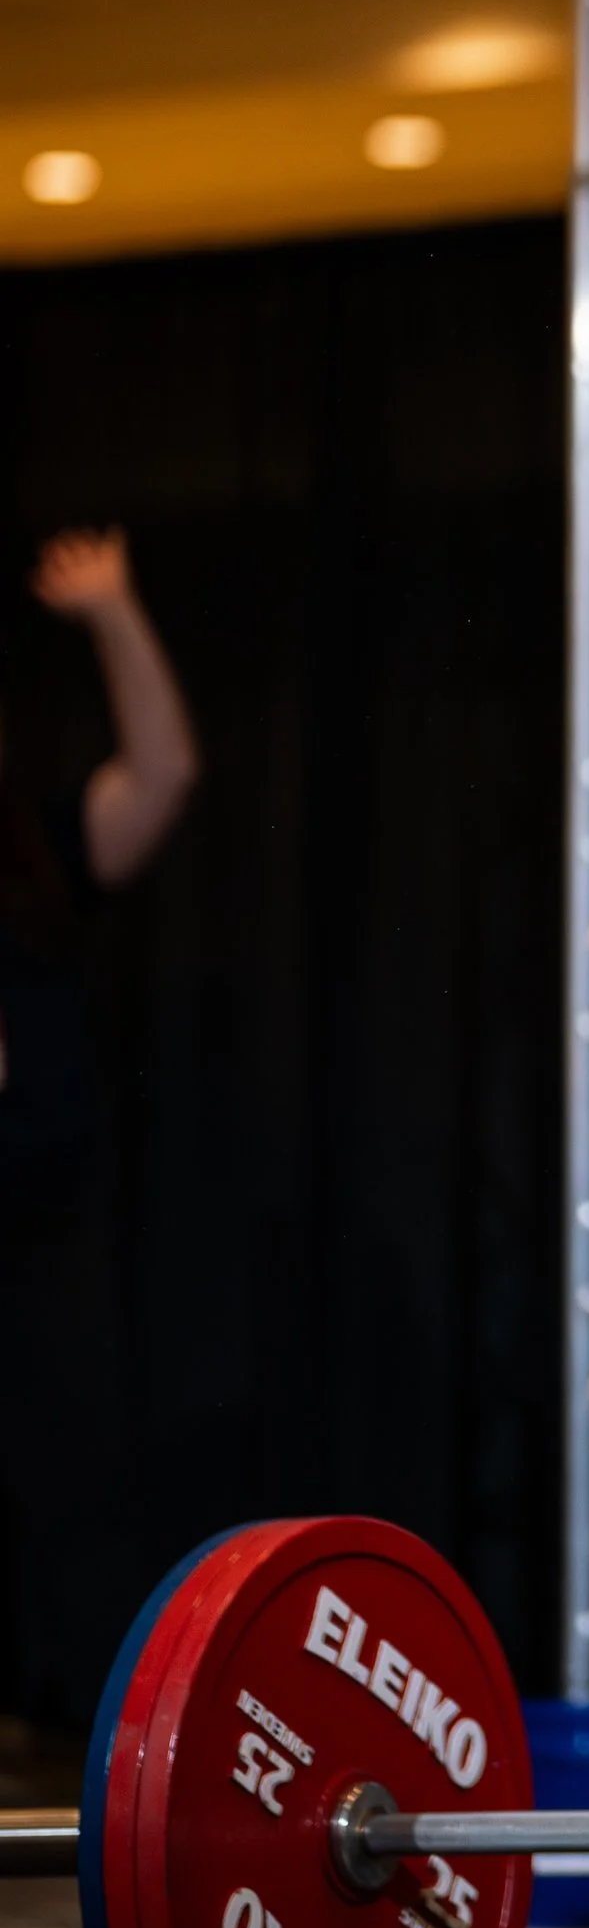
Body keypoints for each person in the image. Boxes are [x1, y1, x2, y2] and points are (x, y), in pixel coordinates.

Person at [0, 528, 200, 1731]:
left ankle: (73, 1724)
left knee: (68, 1475)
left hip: (39, 1206)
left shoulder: (36, 851)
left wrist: (114, 610)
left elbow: (163, 773)